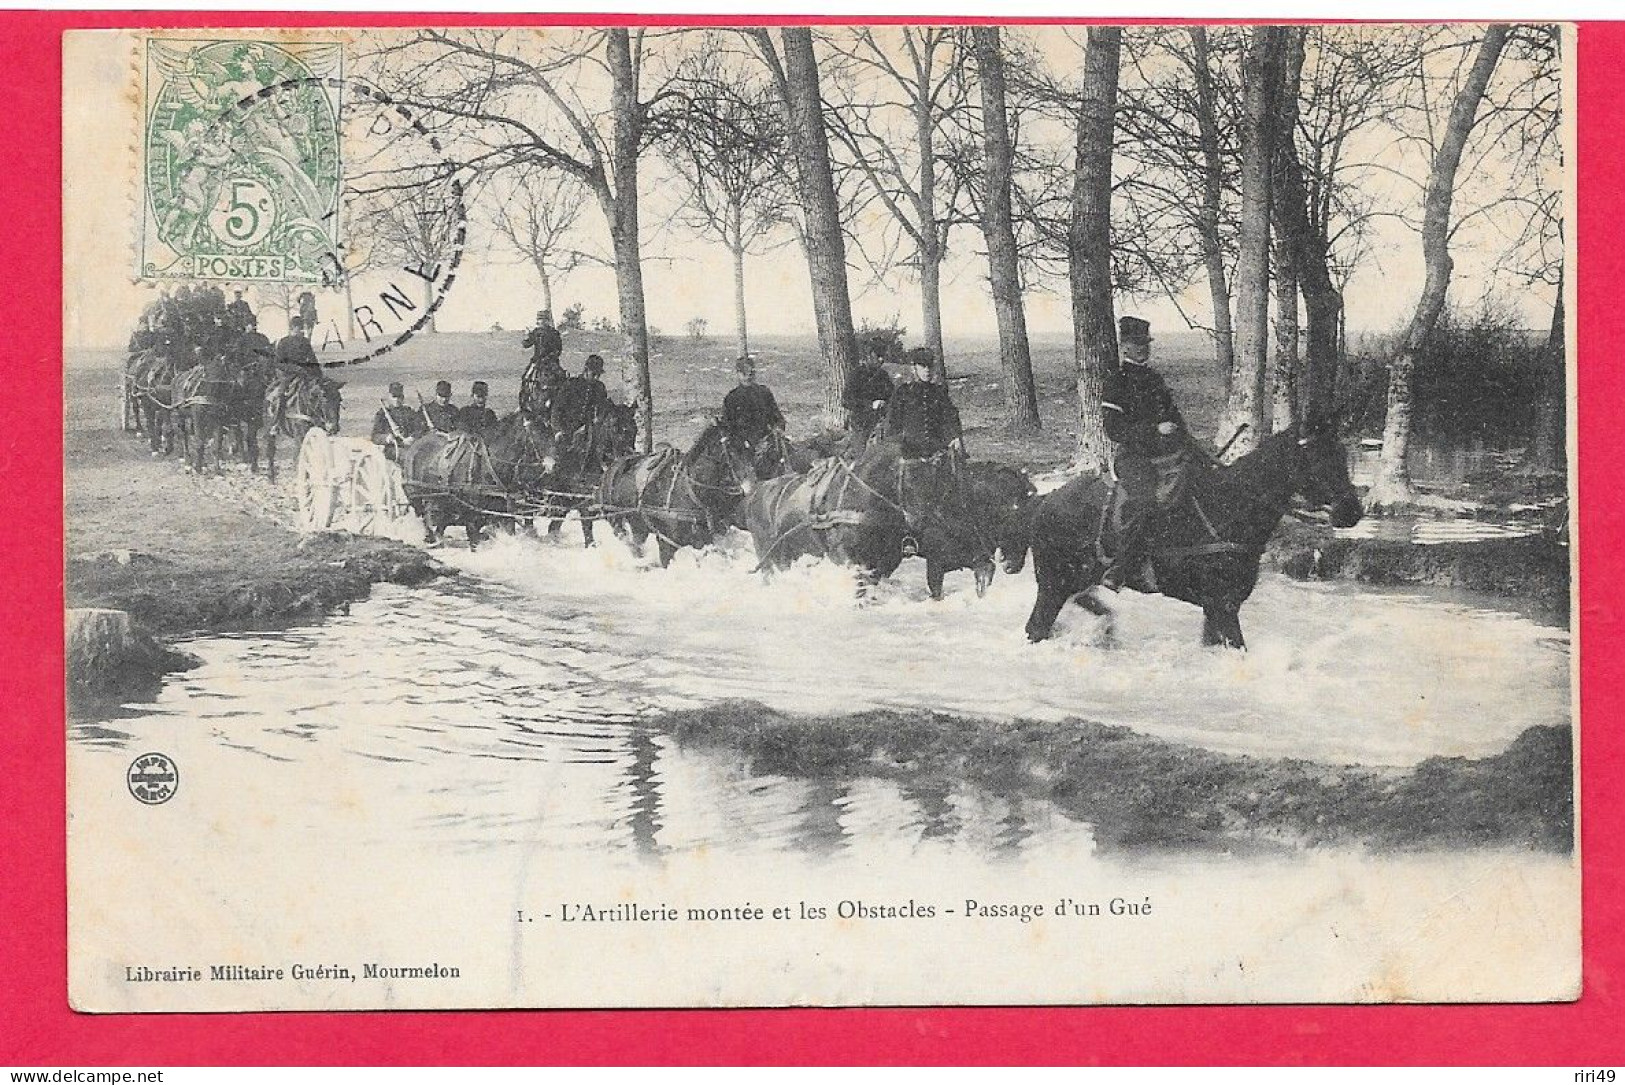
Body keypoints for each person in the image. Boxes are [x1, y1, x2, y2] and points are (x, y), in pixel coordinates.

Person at [1099, 315, 1187, 591]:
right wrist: (1154, 431)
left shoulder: (1155, 379)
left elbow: (1174, 419)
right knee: (1146, 500)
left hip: (1167, 455)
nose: (1142, 348)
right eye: (1136, 343)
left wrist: (1186, 441)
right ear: (1123, 346)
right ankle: (1123, 567)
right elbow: (1114, 429)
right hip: (1134, 458)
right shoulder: (1116, 382)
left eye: (1145, 343)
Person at [884, 347, 963, 460]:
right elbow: (893, 423)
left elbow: (950, 416)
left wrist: (955, 436)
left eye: (930, 366)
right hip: (910, 451)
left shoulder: (939, 392)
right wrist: (899, 448)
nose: (927, 370)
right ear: (914, 368)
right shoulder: (903, 392)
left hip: (936, 450)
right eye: (922, 366)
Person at [721, 357, 786, 462]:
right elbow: (727, 427)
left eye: (751, 374)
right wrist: (741, 442)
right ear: (737, 374)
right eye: (744, 374)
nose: (747, 377)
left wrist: (777, 430)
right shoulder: (731, 398)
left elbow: (778, 418)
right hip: (741, 447)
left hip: (766, 444)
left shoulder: (764, 393)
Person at [843, 345, 895, 445]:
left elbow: (892, 396)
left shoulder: (883, 375)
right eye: (878, 355)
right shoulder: (856, 374)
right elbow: (846, 400)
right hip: (861, 424)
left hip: (880, 423)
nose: (881, 359)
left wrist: (885, 403)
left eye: (883, 355)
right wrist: (870, 405)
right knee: (862, 456)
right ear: (868, 356)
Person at [371, 381, 425, 457]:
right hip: (392, 449)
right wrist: (387, 438)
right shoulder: (383, 414)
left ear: (402, 397)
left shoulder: (409, 412)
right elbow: (375, 436)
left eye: (399, 397)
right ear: (389, 397)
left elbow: (419, 429)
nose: (396, 400)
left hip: (409, 446)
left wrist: (412, 438)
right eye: (394, 397)